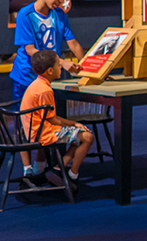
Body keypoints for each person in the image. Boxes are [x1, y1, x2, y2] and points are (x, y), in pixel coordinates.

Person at [10, 0, 85, 178]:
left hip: (49, 80)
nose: (61, 1)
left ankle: (41, 164)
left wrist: (89, 66)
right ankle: (27, 170)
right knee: (24, 124)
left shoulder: (60, 15)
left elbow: (74, 43)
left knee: (46, 121)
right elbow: (31, 51)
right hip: (26, 78)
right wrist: (62, 62)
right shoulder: (26, 15)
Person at [19, 49, 94, 184]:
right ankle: (72, 175)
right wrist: (74, 123)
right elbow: (52, 119)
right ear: (50, 71)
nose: (61, 67)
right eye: (58, 65)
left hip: (30, 130)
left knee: (78, 136)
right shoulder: (45, 91)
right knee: (87, 137)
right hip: (42, 133)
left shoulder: (36, 85)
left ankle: (58, 168)